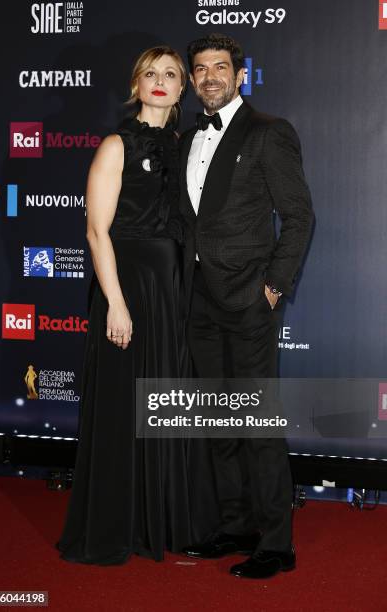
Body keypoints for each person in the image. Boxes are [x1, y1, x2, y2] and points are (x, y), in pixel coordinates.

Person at [180, 34, 314, 579]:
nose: (210, 76)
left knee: (258, 423)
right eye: (200, 68)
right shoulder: (188, 135)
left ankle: (277, 544)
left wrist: (273, 287)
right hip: (198, 303)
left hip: (250, 301)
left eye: (221, 67)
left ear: (240, 75)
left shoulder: (268, 133)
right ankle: (236, 525)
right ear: (191, 80)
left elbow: (299, 217)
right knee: (219, 421)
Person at [56, 46, 194, 565]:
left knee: (161, 405)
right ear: (136, 85)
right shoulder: (116, 144)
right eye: (150, 74)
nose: (160, 82)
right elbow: (96, 231)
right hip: (127, 285)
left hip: (171, 287)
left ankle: (156, 521)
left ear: (182, 88)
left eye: (170, 75)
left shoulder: (184, 145)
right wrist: (115, 302)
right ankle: (115, 525)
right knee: (123, 406)